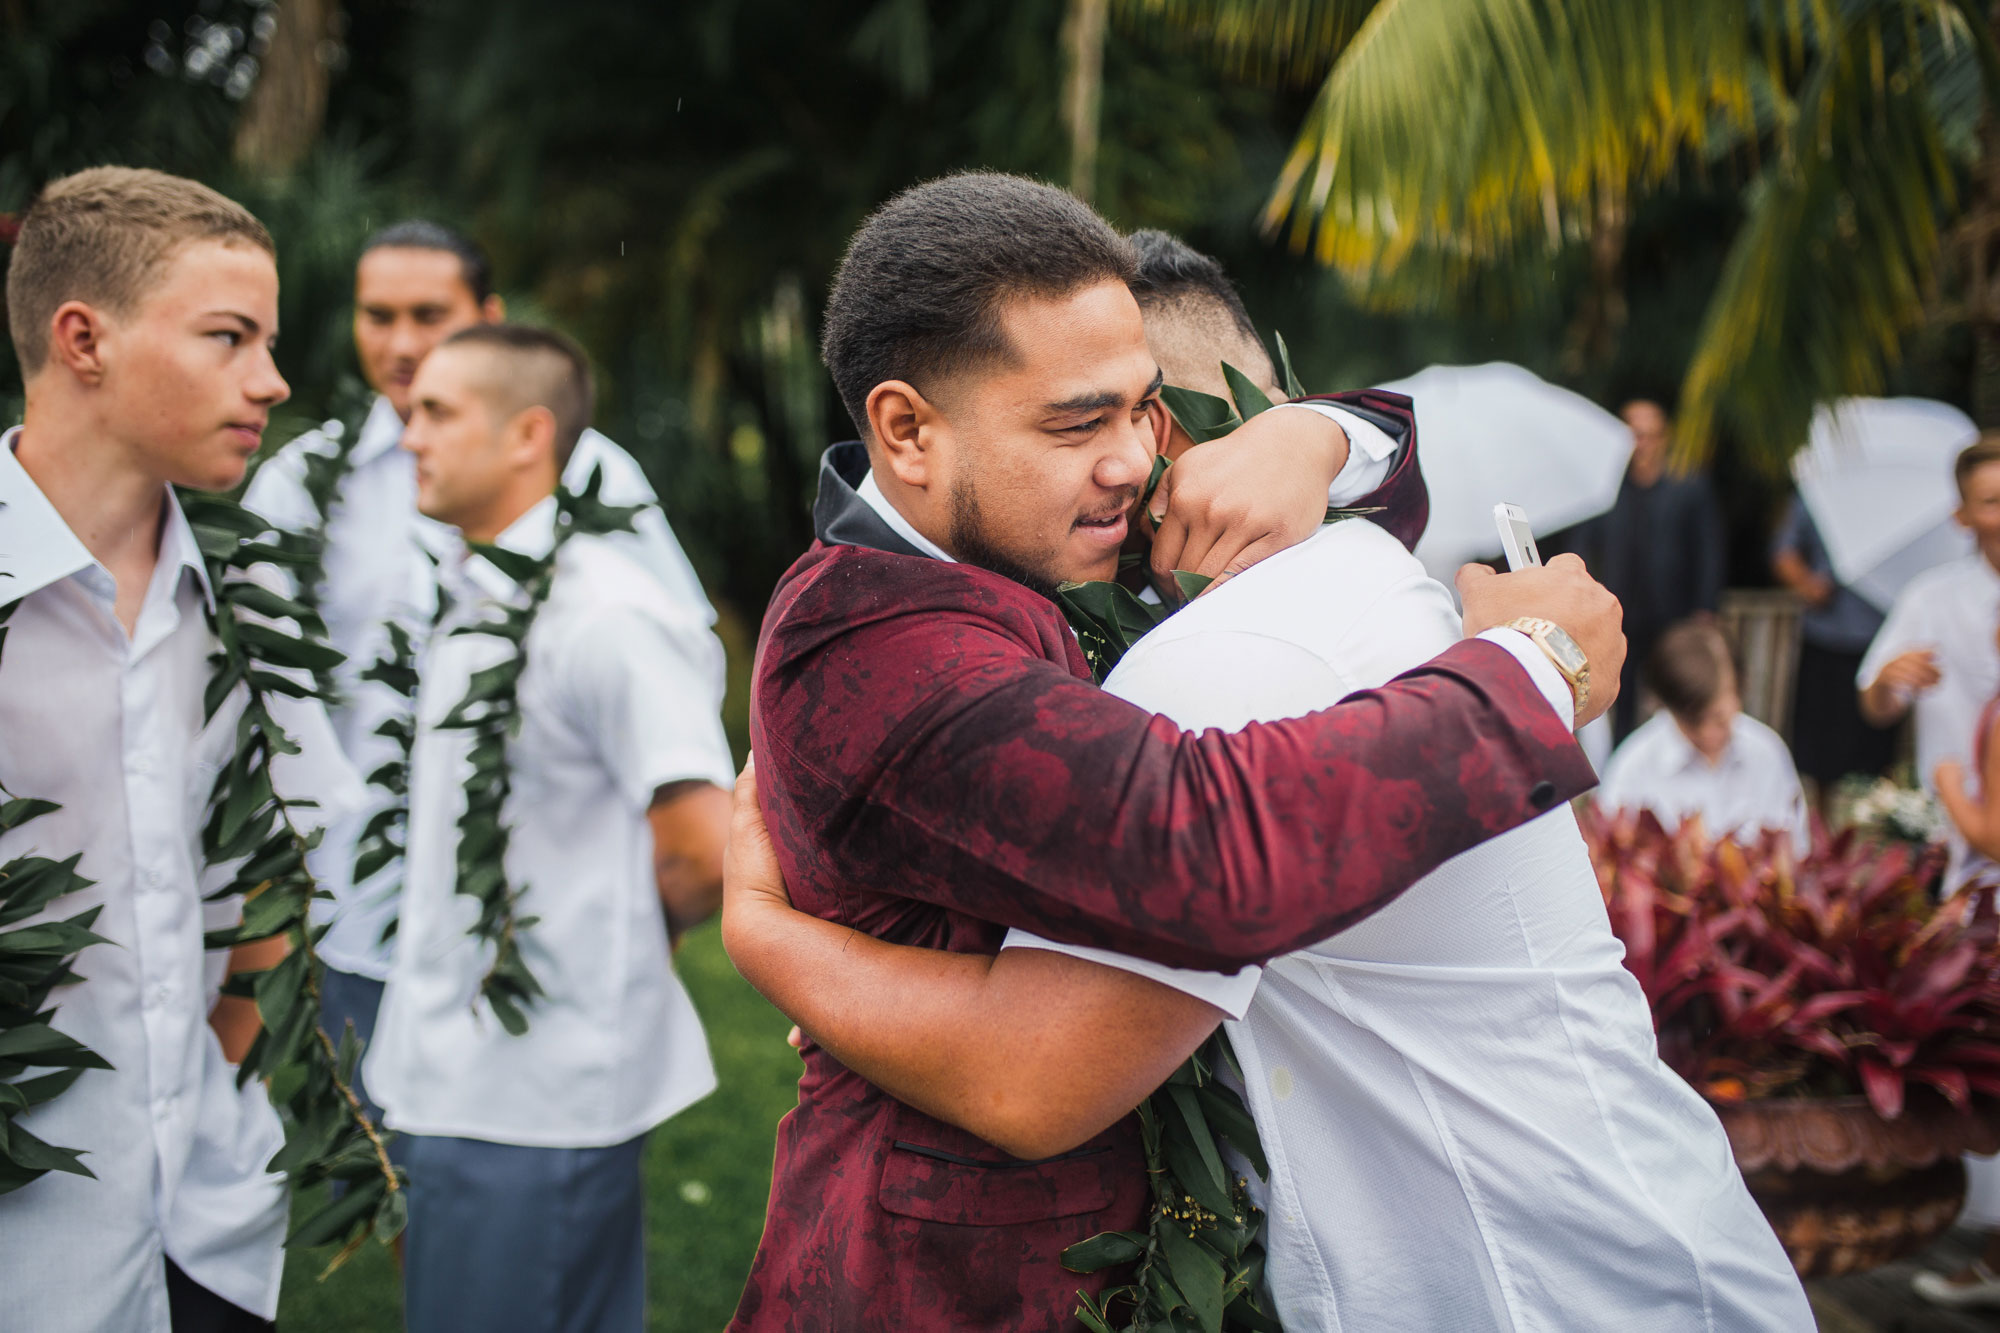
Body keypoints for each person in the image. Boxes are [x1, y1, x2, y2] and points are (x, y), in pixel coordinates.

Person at [721, 230, 1808, 1330]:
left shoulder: (1215, 625)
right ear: (906, 430)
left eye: (1139, 415)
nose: (1129, 463)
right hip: (922, 1277)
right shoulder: (915, 631)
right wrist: (1534, 668)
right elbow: (1188, 864)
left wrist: (1322, 432)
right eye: (1076, 421)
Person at [242, 220, 712, 1118]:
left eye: (431, 314)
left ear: (488, 317)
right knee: (384, 1179)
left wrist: (644, 889)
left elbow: (672, 665)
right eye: (378, 315)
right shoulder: (299, 486)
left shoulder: (587, 472)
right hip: (354, 904)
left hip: (528, 920)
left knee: (513, 1171)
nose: (404, 343)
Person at [0, 168, 360, 1331]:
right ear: (82, 339)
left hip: (206, 1217)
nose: (272, 379)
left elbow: (279, 861)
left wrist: (224, 1062)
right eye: (227, 337)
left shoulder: (247, 589)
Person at [360, 324, 734, 1333]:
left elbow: (705, 842)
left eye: (437, 413)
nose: (409, 437)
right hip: (453, 1067)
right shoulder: (478, 592)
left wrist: (612, 942)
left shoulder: (603, 614)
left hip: (534, 1086)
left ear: (527, 433)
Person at [1859, 434, 2000, 895]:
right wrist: (1887, 679)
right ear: (1962, 516)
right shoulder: (1930, 598)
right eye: (1993, 501)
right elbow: (1877, 708)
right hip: (1947, 839)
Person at [1579, 397, 1727, 739]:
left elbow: (1708, 550)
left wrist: (1706, 608)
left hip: (1673, 613)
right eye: (1634, 435)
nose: (1641, 444)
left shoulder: (1689, 486)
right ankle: (1621, 773)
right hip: (1618, 613)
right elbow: (1583, 547)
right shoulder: (1605, 490)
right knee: (1621, 698)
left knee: (1677, 692)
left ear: (1664, 438)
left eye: (1650, 435)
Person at [1597, 619, 1812, 853]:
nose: (1708, 733)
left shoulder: (1766, 752)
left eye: (1719, 718)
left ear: (1741, 690)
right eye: (1692, 722)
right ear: (1669, 707)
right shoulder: (1633, 766)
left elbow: (1796, 848)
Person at [1771, 492, 1897, 796]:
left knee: (1872, 750)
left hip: (1878, 643)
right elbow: (1782, 551)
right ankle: (1824, 827)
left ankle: (1868, 818)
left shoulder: (1895, 505)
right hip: (1824, 639)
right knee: (1818, 748)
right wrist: (1807, 584)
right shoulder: (1820, 494)